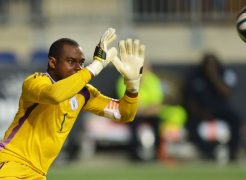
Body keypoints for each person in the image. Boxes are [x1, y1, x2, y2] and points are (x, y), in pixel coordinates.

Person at [0, 28, 145, 179]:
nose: (78, 68)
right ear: (52, 62)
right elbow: (55, 95)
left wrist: (132, 86)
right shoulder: (35, 82)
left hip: (38, 173)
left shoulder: (84, 94)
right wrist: (96, 65)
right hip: (11, 164)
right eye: (71, 61)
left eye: (81, 63)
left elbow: (124, 114)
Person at [183, 53, 241, 162]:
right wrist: (200, 112)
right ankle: (209, 152)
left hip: (221, 110)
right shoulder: (195, 76)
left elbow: (227, 93)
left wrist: (213, 76)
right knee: (191, 126)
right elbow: (189, 100)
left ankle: (233, 152)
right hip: (201, 112)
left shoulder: (223, 74)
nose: (209, 67)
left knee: (236, 120)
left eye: (212, 65)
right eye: (207, 65)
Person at [116, 62, 164, 161]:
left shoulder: (153, 80)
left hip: (148, 113)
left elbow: (157, 104)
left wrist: (144, 110)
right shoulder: (124, 80)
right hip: (132, 113)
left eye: (145, 70)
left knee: (157, 121)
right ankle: (134, 153)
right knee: (133, 122)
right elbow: (125, 102)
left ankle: (157, 152)